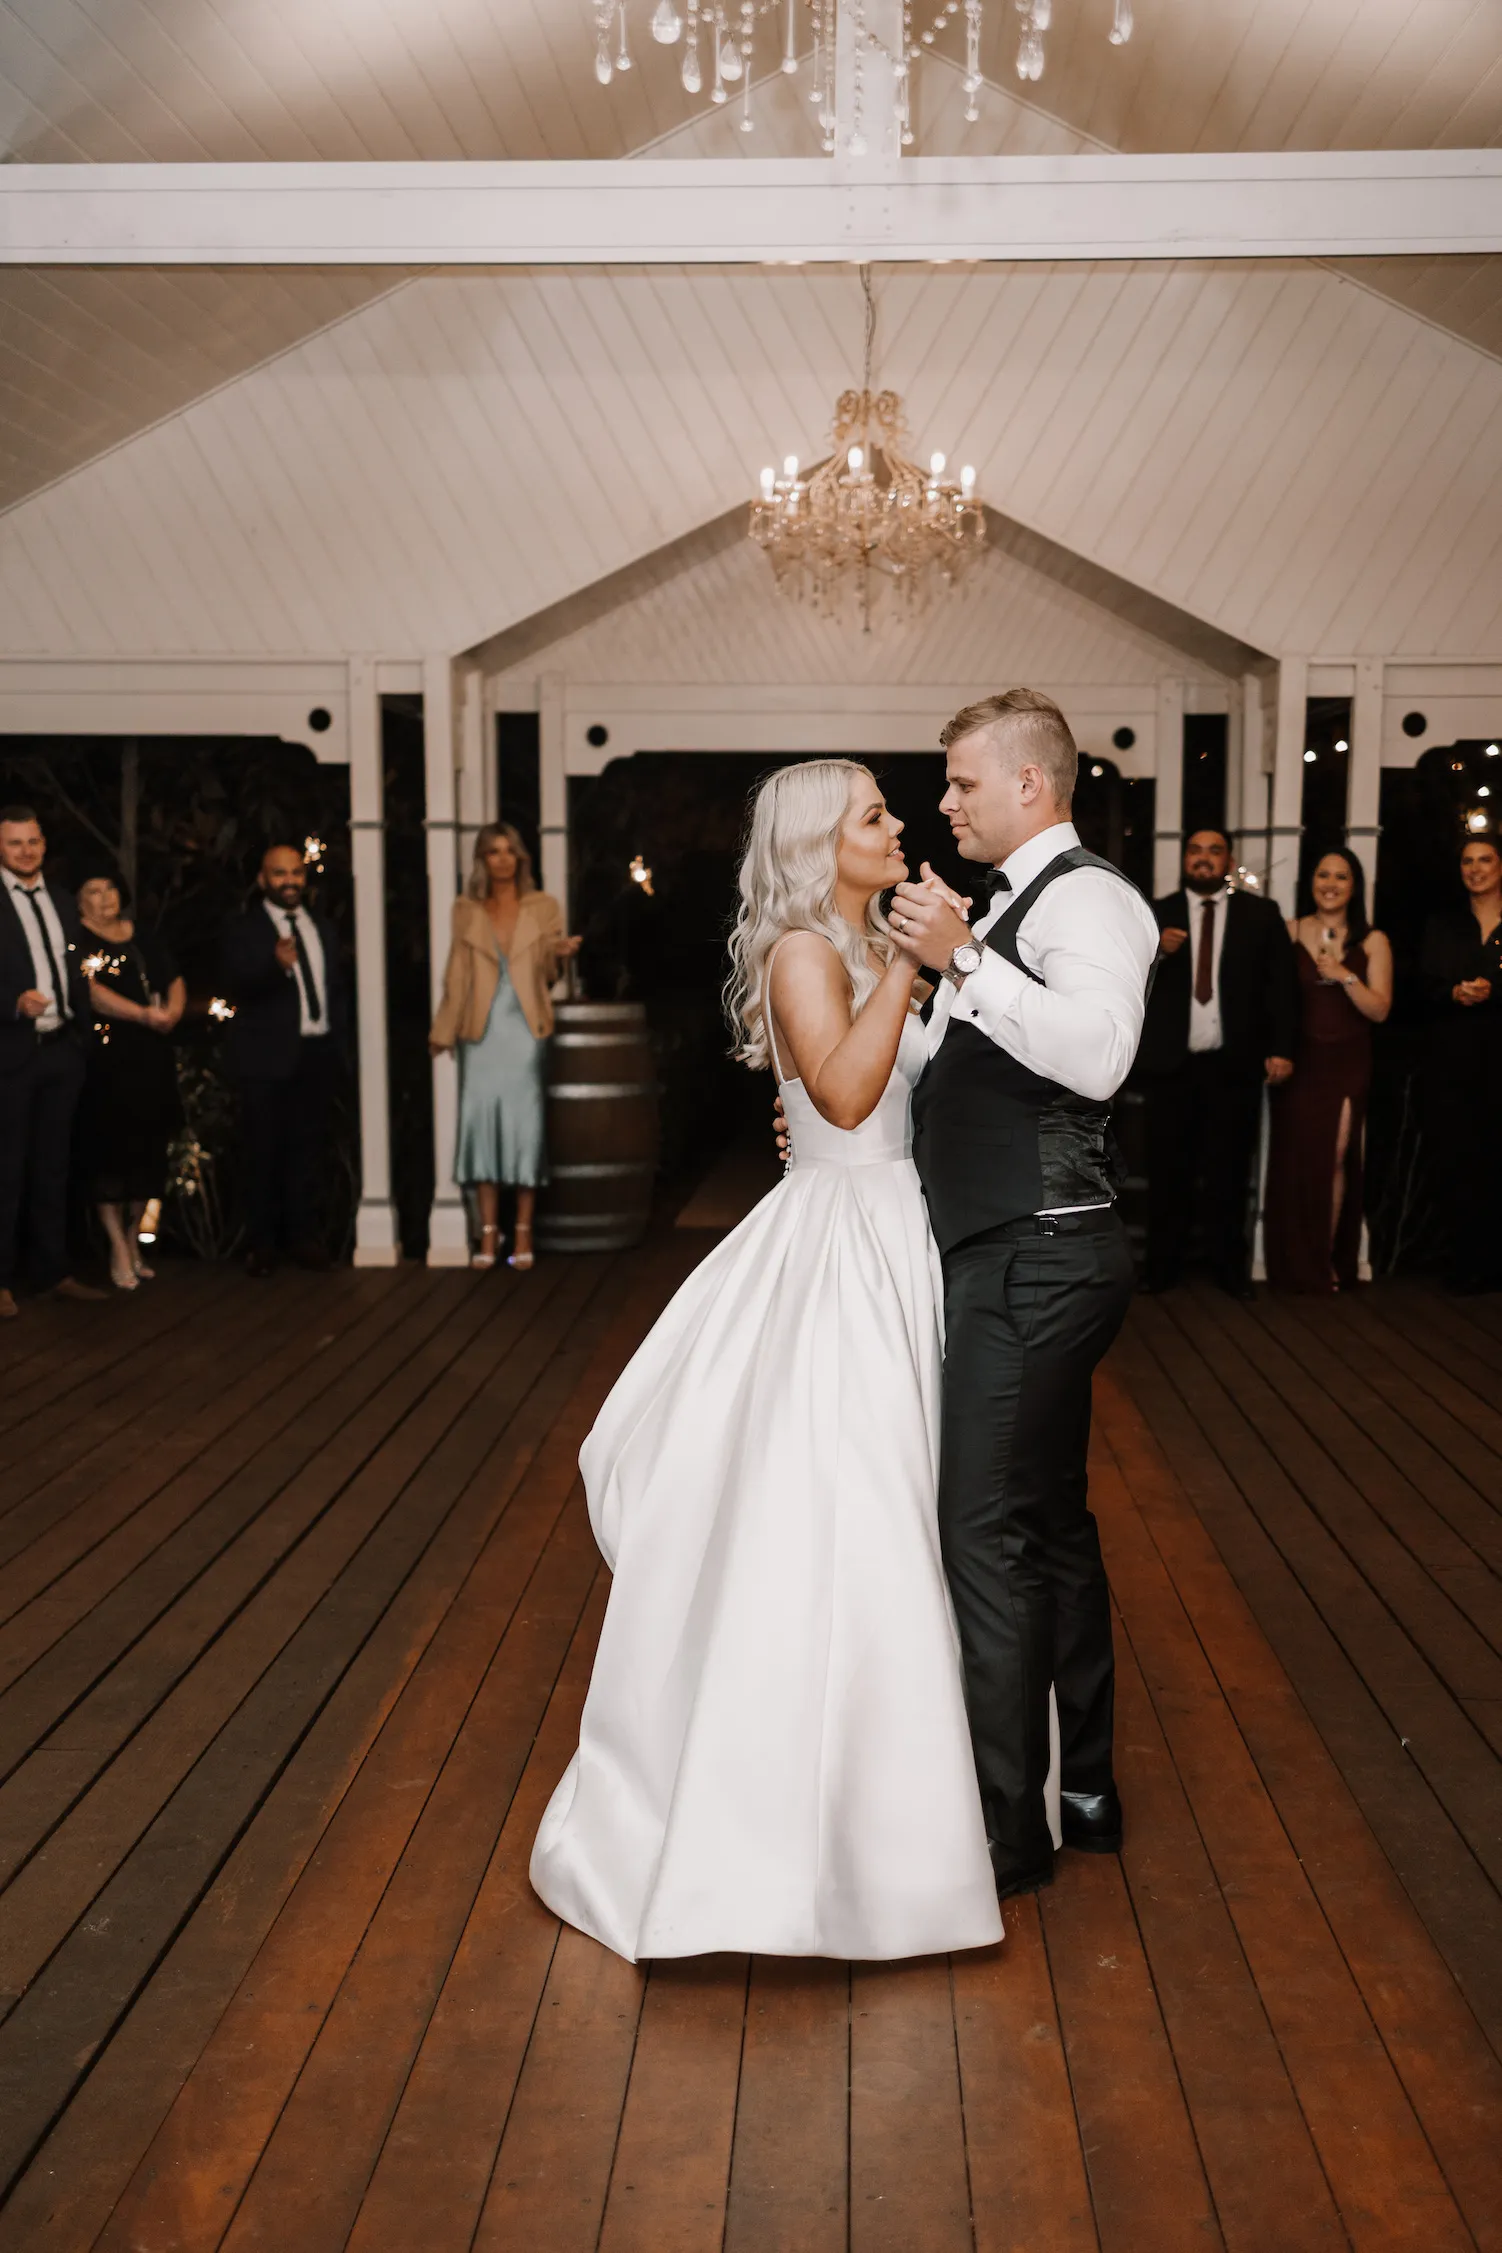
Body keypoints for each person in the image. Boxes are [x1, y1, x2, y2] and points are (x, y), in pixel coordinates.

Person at [531, 760, 1005, 1961]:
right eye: (873, 816)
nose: (897, 826)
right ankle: (806, 1839)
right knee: (848, 1509)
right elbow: (841, 1099)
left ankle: (892, 1824)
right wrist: (910, 968)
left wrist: (919, 967)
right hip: (843, 1243)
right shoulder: (804, 949)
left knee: (903, 1506)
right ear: (816, 844)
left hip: (899, 1232)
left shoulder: (869, 943)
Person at [886, 689, 1160, 1899]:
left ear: (1029, 784)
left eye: (961, 781)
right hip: (1014, 1252)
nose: (945, 802)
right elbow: (959, 1077)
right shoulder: (1001, 911)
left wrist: (960, 958)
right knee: (1045, 1524)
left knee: (982, 1529)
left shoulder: (1088, 899)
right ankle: (1081, 1789)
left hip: (1036, 1256)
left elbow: (1096, 1057)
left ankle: (1005, 1833)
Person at [1134, 827, 1298, 1299]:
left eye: (1214, 851)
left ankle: (1229, 1270)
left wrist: (1282, 1048)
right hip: (1171, 1066)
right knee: (1168, 1171)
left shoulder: (1260, 915)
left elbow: (1281, 987)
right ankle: (1162, 1269)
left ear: (1229, 859)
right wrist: (1154, 953)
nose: (1203, 859)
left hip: (1234, 1064)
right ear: (1185, 858)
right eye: (1195, 851)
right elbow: (1120, 979)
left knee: (1229, 1170)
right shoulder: (1153, 914)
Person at [428, 823, 579, 1273]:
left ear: (520, 858)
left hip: (524, 1030)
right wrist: (443, 1030)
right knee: (480, 1129)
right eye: (493, 851)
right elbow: (457, 973)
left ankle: (523, 1231)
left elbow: (547, 976)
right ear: (482, 860)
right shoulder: (466, 909)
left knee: (524, 1128)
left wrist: (558, 954)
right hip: (481, 1033)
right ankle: (489, 1232)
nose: (502, 859)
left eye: (509, 850)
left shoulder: (543, 906)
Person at [1263, 848, 1391, 1294]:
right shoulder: (1290, 930)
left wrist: (1343, 974)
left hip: (1347, 1062)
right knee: (1297, 1160)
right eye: (1323, 875)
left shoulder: (1373, 940)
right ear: (1311, 882)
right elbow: (1274, 1000)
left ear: (1354, 886)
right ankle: (1293, 1265)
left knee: (1334, 1156)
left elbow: (1380, 1010)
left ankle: (1325, 1262)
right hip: (1301, 1061)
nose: (1330, 884)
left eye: (1341, 876)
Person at [0, 806, 110, 1318]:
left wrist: (81, 1036)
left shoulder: (64, 901)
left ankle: (52, 1271)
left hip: (62, 1052)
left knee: (53, 1168)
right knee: (6, 1171)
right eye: (14, 842)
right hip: (11, 1055)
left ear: (44, 845)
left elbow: (75, 969)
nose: (26, 851)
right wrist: (11, 1003)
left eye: (33, 841)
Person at [222, 843, 347, 1278]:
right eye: (279, 873)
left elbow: (335, 988)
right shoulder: (245, 928)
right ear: (263, 880)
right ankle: (262, 1244)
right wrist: (274, 966)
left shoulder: (321, 927)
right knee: (262, 1152)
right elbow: (236, 983)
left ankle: (303, 1238)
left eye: (296, 873)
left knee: (307, 1150)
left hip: (316, 1053)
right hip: (265, 1058)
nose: (289, 881)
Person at [73, 871, 186, 1292]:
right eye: (93, 891)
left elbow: (173, 978)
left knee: (148, 1151)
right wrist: (142, 1015)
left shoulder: (143, 936)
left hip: (150, 1057)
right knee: (108, 1152)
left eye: (110, 888)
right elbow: (90, 992)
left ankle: (135, 1235)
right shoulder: (77, 941)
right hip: (105, 1058)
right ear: (79, 901)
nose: (105, 897)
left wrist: (171, 1012)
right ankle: (116, 1245)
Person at [1420, 834, 1502, 1294]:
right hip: (1453, 1059)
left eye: (1485, 859)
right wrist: (1453, 992)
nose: (1475, 869)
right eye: (1468, 861)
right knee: (1458, 1159)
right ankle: (1463, 1262)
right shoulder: (1444, 925)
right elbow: (1423, 985)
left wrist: (1495, 991)